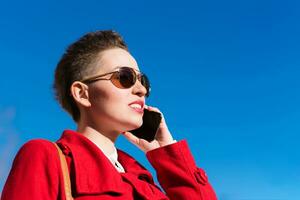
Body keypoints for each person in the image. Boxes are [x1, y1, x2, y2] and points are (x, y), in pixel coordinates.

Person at [1, 30, 217, 200]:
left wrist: (166, 154)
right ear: (82, 93)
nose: (141, 90)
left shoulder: (142, 178)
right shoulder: (46, 156)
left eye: (143, 81)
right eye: (124, 77)